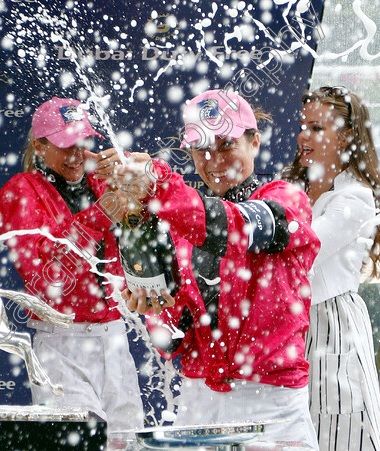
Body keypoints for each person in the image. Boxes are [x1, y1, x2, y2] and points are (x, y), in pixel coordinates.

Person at [117, 89, 321, 447]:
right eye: (201, 149)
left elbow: (235, 228)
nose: (213, 161)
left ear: (255, 142)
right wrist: (155, 308)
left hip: (271, 408)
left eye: (226, 145)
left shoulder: (288, 200)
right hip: (199, 406)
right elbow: (176, 340)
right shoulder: (180, 227)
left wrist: (162, 187)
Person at [0, 97, 146, 432]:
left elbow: (155, 229)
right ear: (40, 146)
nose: (77, 154)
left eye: (82, 141)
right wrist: (101, 213)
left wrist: (139, 171)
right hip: (60, 343)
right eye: (65, 146)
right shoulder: (19, 192)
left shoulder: (102, 181)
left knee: (128, 441)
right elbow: (49, 276)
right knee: (75, 441)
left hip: (115, 337)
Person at [283, 86, 380, 450]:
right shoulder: (292, 187)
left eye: (316, 128)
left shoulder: (355, 198)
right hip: (293, 325)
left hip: (331, 326)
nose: (303, 135)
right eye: (303, 125)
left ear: (345, 135)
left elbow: (301, 252)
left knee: (341, 431)